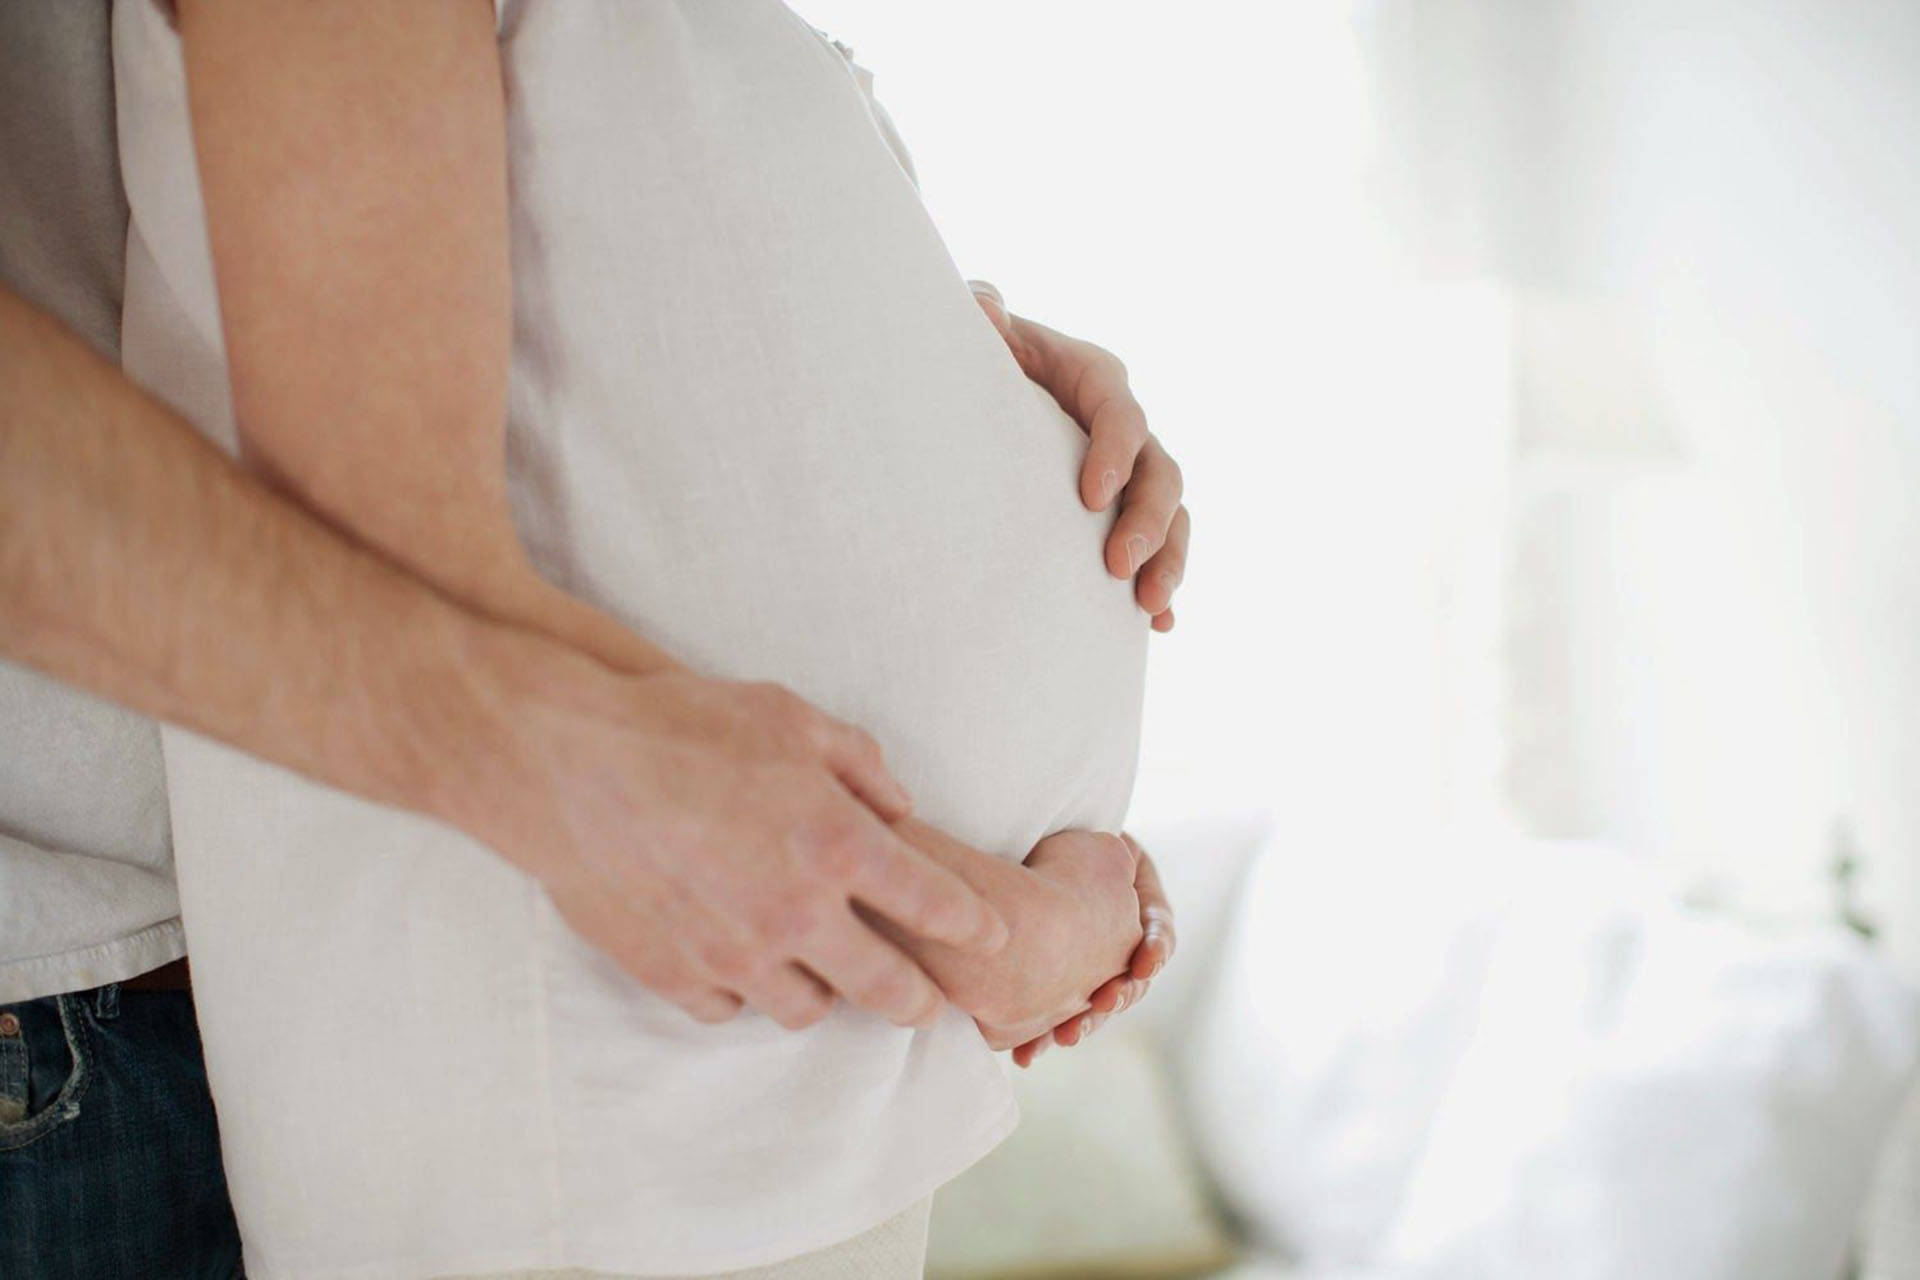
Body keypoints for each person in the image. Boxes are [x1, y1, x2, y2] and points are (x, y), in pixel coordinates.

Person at [2, 2, 1187, 1276]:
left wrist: (955, 346)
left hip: (655, 1025)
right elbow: (395, 554)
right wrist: (984, 926)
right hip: (468, 1020)